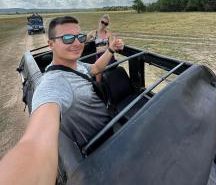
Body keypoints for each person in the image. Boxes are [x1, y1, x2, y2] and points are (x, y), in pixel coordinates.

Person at [0, 16, 124, 185]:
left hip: (110, 130)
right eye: (67, 38)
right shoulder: (53, 84)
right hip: (99, 147)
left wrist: (110, 50)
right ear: (51, 44)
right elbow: (35, 144)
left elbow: (95, 68)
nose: (77, 43)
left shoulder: (76, 65)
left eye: (79, 37)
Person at [87, 14, 115, 82]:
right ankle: (99, 87)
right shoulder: (93, 33)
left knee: (105, 71)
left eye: (106, 24)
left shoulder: (108, 34)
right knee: (97, 73)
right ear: (99, 21)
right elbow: (83, 40)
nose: (103, 25)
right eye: (102, 22)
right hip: (98, 56)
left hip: (107, 55)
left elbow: (111, 46)